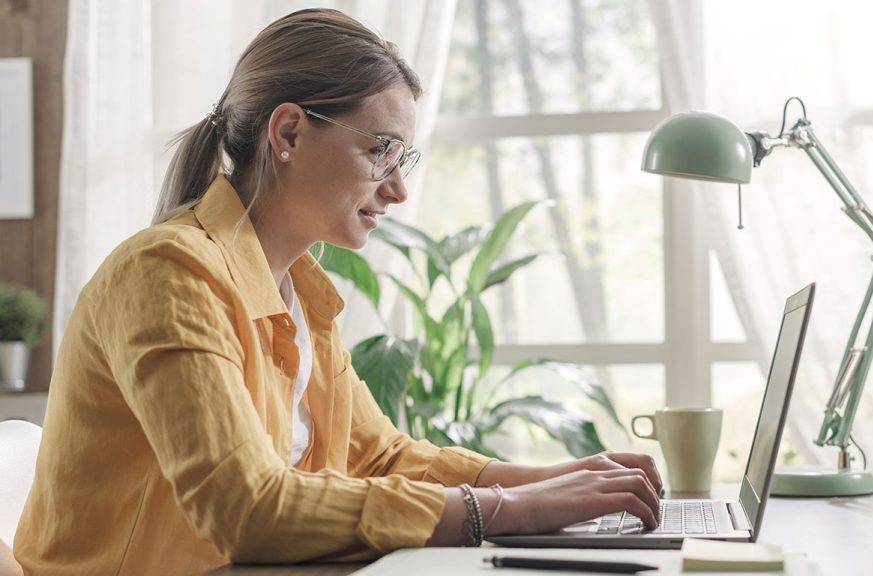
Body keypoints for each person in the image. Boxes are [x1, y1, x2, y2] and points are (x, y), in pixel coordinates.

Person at [14, 8, 662, 575]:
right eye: (381, 151)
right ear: (289, 133)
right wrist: (503, 510)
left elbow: (380, 456)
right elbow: (247, 508)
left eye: (403, 159)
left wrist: (558, 481)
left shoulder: (299, 298)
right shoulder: (166, 275)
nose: (398, 189)